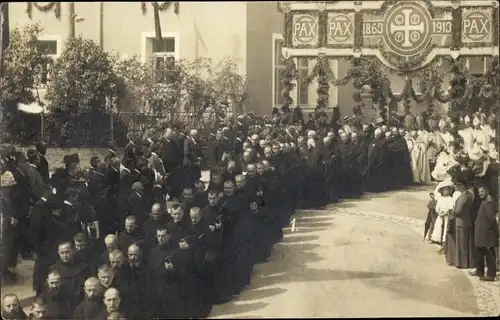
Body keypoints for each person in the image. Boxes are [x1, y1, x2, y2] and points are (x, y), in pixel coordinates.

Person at [470, 185, 498, 281]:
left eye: (482, 192)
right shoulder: (484, 201)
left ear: (487, 191)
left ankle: (491, 274)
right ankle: (479, 271)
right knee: (480, 252)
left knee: (489, 254)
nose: (480, 194)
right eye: (479, 192)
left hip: (486, 233)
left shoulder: (489, 202)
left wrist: (494, 232)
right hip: (481, 233)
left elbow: (492, 219)